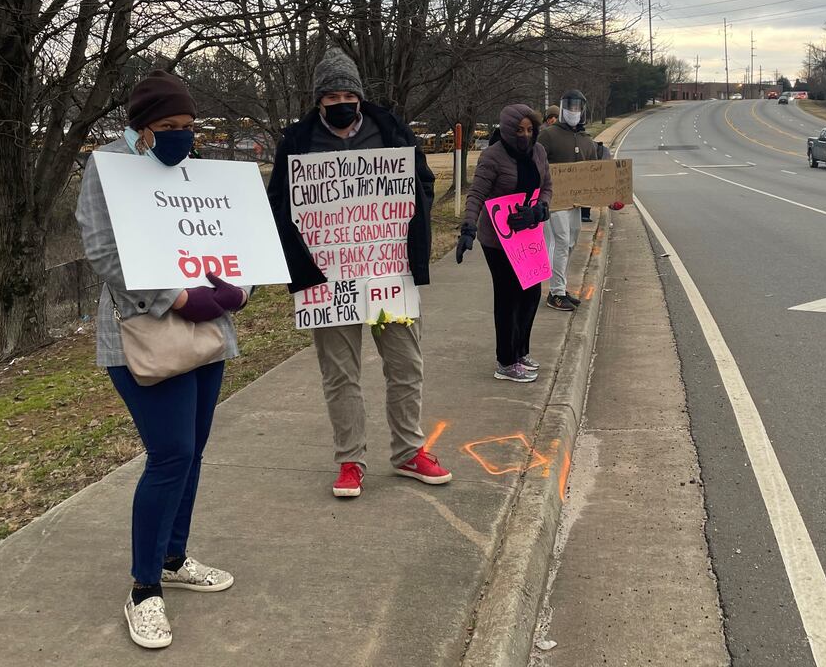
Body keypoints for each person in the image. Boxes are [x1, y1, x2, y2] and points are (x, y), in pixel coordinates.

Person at [76, 70, 248, 650]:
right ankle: (144, 589)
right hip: (143, 336)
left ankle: (174, 557)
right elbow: (103, 250)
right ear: (141, 128)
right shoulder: (108, 170)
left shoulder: (195, 173)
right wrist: (176, 298)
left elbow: (223, 234)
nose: (181, 137)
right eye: (168, 128)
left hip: (204, 333)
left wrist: (235, 286)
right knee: (170, 454)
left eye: (188, 127)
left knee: (192, 451)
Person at [266, 47, 450, 500]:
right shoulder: (297, 142)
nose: (341, 102)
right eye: (331, 96)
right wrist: (303, 264)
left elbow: (422, 181)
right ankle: (350, 460)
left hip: (389, 273)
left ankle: (409, 451)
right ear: (318, 101)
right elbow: (279, 205)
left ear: (361, 96)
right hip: (328, 282)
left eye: (348, 93)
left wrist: (407, 221)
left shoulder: (390, 130)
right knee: (340, 373)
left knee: (405, 365)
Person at [456, 104, 553, 383]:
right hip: (498, 240)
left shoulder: (539, 152)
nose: (525, 135)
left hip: (528, 233)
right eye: (519, 130)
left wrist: (540, 210)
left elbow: (547, 186)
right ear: (508, 131)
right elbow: (476, 194)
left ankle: (521, 351)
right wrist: (468, 228)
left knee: (532, 293)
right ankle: (506, 361)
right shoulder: (493, 157)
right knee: (508, 296)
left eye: (530, 130)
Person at [537, 90, 599, 311]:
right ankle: (556, 293)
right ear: (562, 108)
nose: (573, 111)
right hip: (554, 201)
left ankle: (560, 286)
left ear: (582, 110)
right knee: (561, 242)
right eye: (569, 106)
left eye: (577, 107)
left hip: (575, 202)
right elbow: (536, 164)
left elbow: (594, 170)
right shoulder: (549, 135)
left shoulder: (586, 140)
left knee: (571, 242)